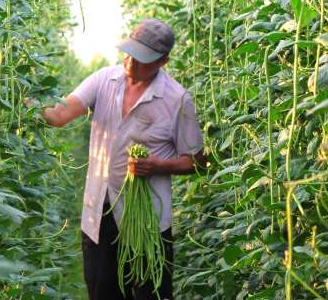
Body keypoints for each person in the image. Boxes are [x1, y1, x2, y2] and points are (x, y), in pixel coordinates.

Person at [39, 19, 206, 300]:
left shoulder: (177, 100)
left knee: (150, 295)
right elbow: (58, 116)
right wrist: (21, 100)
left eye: (142, 59)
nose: (131, 62)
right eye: (129, 52)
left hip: (149, 223)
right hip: (100, 215)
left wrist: (157, 166)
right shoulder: (103, 80)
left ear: (163, 61)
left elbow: (197, 162)